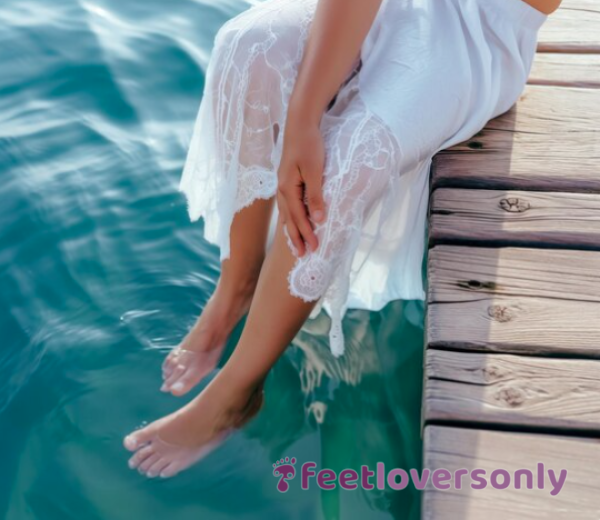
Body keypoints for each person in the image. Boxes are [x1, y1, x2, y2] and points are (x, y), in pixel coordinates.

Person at [124, 0, 559, 479]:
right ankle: (235, 288)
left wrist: (307, 125)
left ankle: (237, 393)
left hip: (482, 31)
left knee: (348, 162)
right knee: (251, 49)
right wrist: (302, 119)